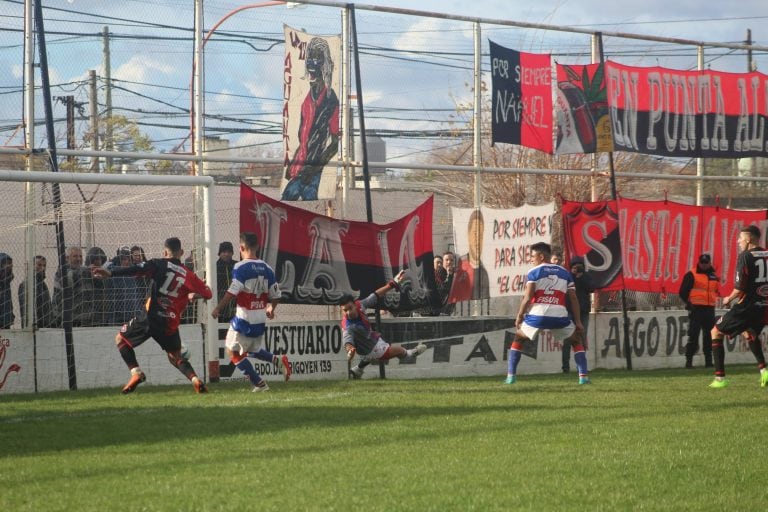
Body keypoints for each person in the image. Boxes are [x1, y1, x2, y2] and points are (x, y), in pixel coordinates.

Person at [92, 237, 212, 394]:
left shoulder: (159, 264)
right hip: (170, 323)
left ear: (164, 252)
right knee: (175, 356)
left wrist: (110, 272)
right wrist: (192, 295)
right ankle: (195, 379)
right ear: (181, 252)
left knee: (121, 339)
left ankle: (136, 373)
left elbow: (136, 269)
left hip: (151, 317)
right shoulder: (189, 275)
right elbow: (208, 293)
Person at [211, 232, 290, 392]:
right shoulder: (267, 268)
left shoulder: (240, 267)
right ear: (257, 247)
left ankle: (259, 383)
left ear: (241, 247)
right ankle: (277, 360)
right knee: (250, 350)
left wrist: (218, 308)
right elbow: (276, 294)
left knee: (231, 352)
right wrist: (271, 308)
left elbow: (232, 291)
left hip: (244, 318)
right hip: (260, 317)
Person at [506, 242, 590, 385]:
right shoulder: (566, 273)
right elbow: (573, 298)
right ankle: (583, 377)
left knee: (518, 339)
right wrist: (578, 322)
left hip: (538, 314)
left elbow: (527, 298)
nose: (531, 259)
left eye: (532, 256)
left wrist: (519, 316)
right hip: (559, 315)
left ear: (541, 256)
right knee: (576, 341)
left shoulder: (534, 272)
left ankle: (510, 377)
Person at [709, 225, 768, 389]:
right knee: (749, 331)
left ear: (749, 239)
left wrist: (729, 298)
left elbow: (739, 287)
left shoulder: (745, 256)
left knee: (715, 331)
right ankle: (764, 371)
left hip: (747, 305)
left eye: (741, 238)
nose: (738, 241)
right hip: (764, 307)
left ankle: (720, 379)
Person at [282, 36, 340, 201]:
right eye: (310, 60)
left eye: (317, 60)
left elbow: (335, 143)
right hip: (300, 166)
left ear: (325, 66)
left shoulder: (331, 101)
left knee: (297, 200)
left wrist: (314, 169)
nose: (312, 65)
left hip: (313, 168)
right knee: (289, 201)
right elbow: (303, 140)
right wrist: (293, 162)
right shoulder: (307, 100)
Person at [343, 271, 427, 379]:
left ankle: (358, 370)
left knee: (368, 355)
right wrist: (349, 350)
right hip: (372, 349)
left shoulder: (360, 305)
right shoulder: (348, 327)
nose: (348, 312)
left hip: (369, 342)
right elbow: (347, 340)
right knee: (398, 350)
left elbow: (375, 295)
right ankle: (412, 353)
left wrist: (391, 284)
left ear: (355, 305)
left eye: (350, 308)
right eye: (345, 310)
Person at [678, 253, 718, 369]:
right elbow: (682, 292)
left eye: (706, 262)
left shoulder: (714, 276)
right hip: (696, 309)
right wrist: (689, 304)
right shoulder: (692, 274)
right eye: (702, 262)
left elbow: (714, 291)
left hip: (709, 309)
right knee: (693, 336)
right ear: (699, 262)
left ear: (710, 263)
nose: (704, 265)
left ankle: (708, 362)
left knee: (709, 336)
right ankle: (689, 362)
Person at [561, 256, 595, 373]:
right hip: (569, 311)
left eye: (579, 266)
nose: (577, 268)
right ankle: (565, 367)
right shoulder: (568, 277)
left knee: (582, 338)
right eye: (575, 266)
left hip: (583, 311)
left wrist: (582, 277)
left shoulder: (587, 276)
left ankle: (581, 367)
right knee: (567, 339)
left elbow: (591, 288)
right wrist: (574, 276)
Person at [451, 209, 490, 301]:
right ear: (468, 235)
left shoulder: (484, 273)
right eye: (475, 233)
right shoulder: (460, 266)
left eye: (481, 235)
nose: (477, 240)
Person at [18, 255, 57, 328]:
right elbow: (27, 309)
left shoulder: (42, 284)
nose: (42, 268)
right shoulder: (27, 284)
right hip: (36, 328)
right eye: (39, 265)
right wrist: (33, 326)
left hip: (47, 326)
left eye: (44, 265)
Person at [215, 241, 237, 322]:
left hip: (235, 304)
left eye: (229, 252)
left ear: (232, 253)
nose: (226, 254)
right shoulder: (214, 266)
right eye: (224, 252)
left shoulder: (237, 265)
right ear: (219, 253)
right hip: (219, 304)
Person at [0, 253, 14, 328]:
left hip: (6, 321)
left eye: (10, 263)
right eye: (5, 264)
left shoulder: (6, 283)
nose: (9, 265)